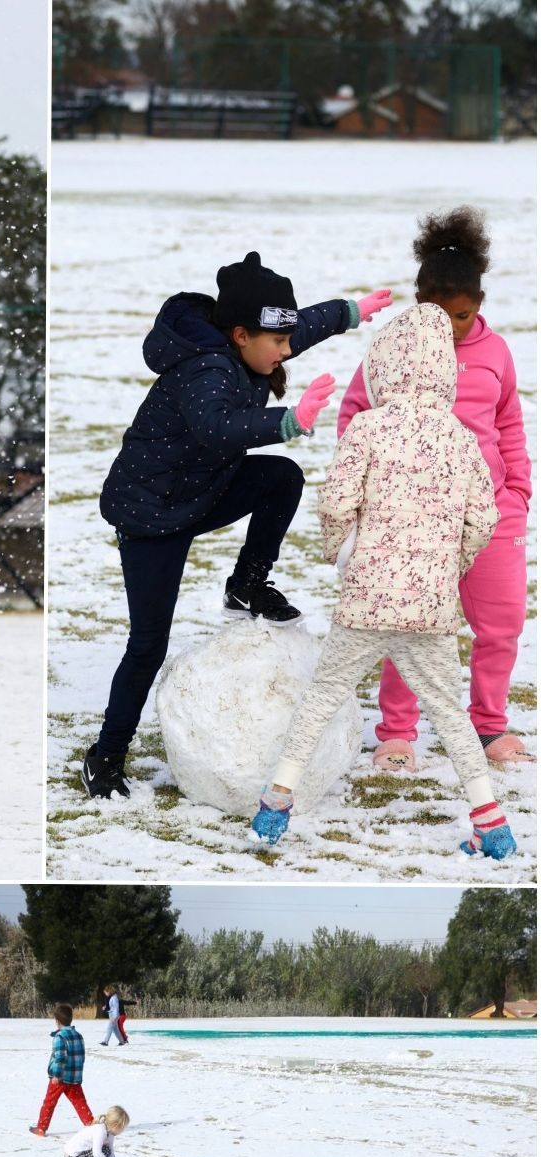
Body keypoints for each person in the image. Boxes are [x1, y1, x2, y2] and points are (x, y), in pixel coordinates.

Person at [82, 253, 393, 799]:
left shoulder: (256, 345)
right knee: (148, 643)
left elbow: (300, 328)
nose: (286, 350)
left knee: (281, 478)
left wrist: (351, 311)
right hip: (152, 516)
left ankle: (246, 584)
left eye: (286, 338)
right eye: (276, 341)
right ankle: (106, 756)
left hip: (202, 491)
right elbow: (217, 428)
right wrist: (288, 421)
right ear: (240, 334)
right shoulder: (206, 366)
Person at [251, 303, 514, 861]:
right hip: (430, 606)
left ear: (384, 367)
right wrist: (454, 563)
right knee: (449, 712)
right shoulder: (460, 437)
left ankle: (276, 803)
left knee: (323, 697)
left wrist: (342, 552)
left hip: (366, 600)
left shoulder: (367, 428)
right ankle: (491, 822)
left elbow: (337, 501)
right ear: (443, 370)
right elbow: (484, 517)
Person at [338, 207, 532, 769]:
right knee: (410, 620)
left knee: (501, 624)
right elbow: (355, 415)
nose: (449, 328)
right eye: (437, 315)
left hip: (493, 512)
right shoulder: (390, 352)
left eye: (464, 316)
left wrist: (517, 490)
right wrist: (377, 486)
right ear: (418, 300)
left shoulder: (495, 353)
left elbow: (510, 424)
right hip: (413, 517)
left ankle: (489, 727)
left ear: (480, 306)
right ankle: (398, 732)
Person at [30, 1003, 93, 1136]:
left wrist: (56, 1075)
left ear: (57, 1021)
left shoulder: (60, 1037)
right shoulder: (78, 1035)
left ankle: (41, 1128)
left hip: (60, 1078)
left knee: (49, 1102)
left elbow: (60, 1058)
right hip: (74, 1077)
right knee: (79, 1101)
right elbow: (81, 1056)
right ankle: (90, 1123)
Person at [64, 1105, 130, 1157]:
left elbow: (111, 1152)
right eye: (121, 1128)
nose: (121, 1131)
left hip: (79, 1156)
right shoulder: (100, 1130)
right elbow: (97, 1153)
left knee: (106, 1150)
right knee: (104, 1151)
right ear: (115, 1125)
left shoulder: (110, 1133)